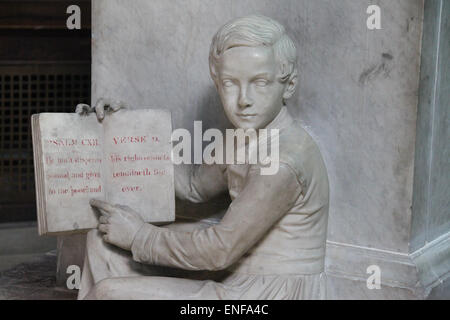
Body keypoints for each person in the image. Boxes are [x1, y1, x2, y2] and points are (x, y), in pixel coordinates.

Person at [76, 15, 329, 300]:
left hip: (264, 295)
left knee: (109, 294)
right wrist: (124, 129)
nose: (243, 99)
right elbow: (194, 187)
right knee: (102, 239)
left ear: (289, 84)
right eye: (231, 83)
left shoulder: (283, 161)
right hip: (238, 273)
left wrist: (138, 236)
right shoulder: (244, 137)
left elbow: (219, 250)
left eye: (259, 82)